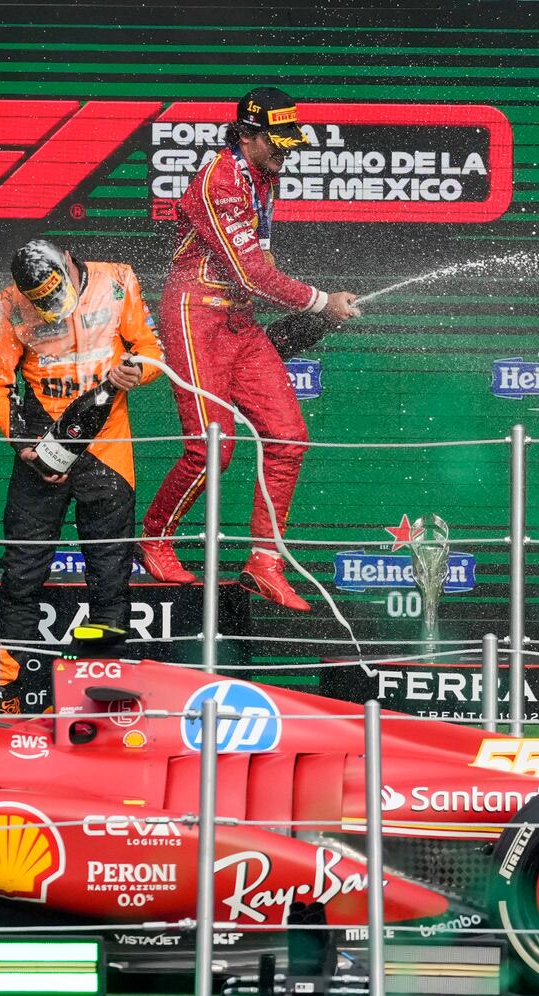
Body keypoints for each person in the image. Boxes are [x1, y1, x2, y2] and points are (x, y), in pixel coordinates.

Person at [139, 86, 362, 611]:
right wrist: (319, 301)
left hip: (239, 319)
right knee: (212, 448)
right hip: (195, 315)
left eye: (290, 141)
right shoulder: (219, 177)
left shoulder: (265, 176)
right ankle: (153, 539)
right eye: (276, 141)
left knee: (288, 437)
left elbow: (260, 258)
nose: (286, 151)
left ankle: (265, 563)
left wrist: (311, 305)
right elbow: (250, 270)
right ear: (245, 134)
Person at [0, 239, 163, 714]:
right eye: (38, 301)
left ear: (68, 264)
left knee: (109, 577)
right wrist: (20, 444)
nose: (47, 308)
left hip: (107, 448)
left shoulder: (119, 280)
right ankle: (7, 696)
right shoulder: (8, 305)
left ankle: (98, 698)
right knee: (22, 575)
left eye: (53, 295)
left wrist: (136, 372)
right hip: (41, 451)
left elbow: (149, 349)